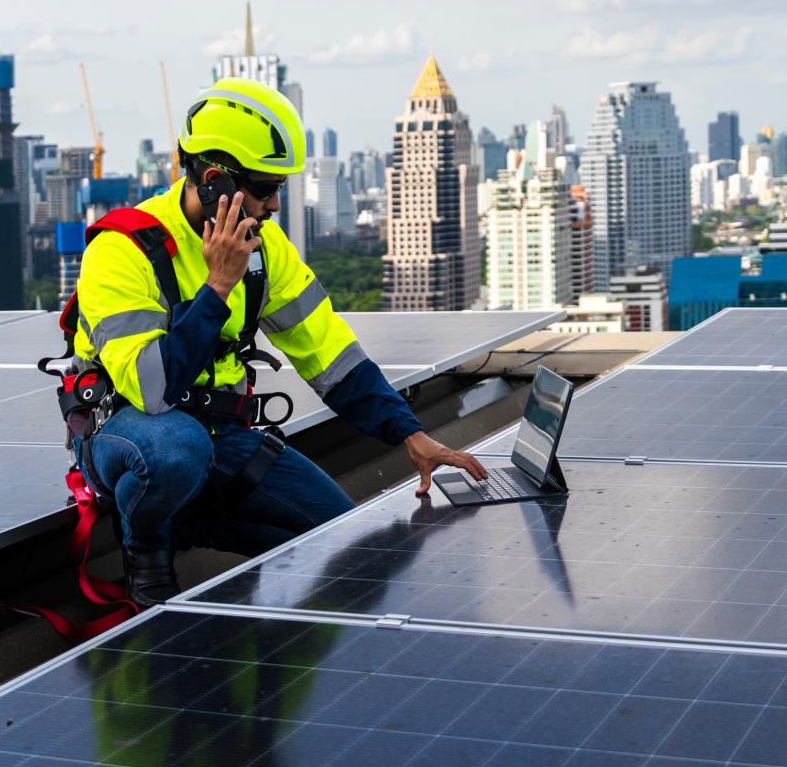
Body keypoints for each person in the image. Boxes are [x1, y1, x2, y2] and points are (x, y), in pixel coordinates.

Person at [71, 76, 485, 607]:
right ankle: (147, 549)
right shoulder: (122, 249)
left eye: (280, 190)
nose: (272, 205)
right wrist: (218, 284)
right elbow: (154, 390)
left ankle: (189, 523)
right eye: (264, 189)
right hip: (131, 432)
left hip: (219, 430)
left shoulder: (266, 250)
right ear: (217, 180)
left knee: (345, 541)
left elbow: (331, 355)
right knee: (177, 448)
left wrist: (410, 434)